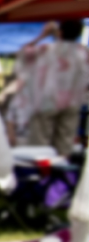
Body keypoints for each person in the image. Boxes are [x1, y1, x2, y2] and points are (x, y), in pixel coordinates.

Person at [20, 19, 89, 155]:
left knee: (39, 144)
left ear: (60, 31)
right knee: (65, 143)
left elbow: (24, 53)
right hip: (72, 102)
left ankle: (40, 173)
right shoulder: (84, 53)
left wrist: (43, 35)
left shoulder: (47, 49)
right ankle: (60, 173)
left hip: (47, 101)